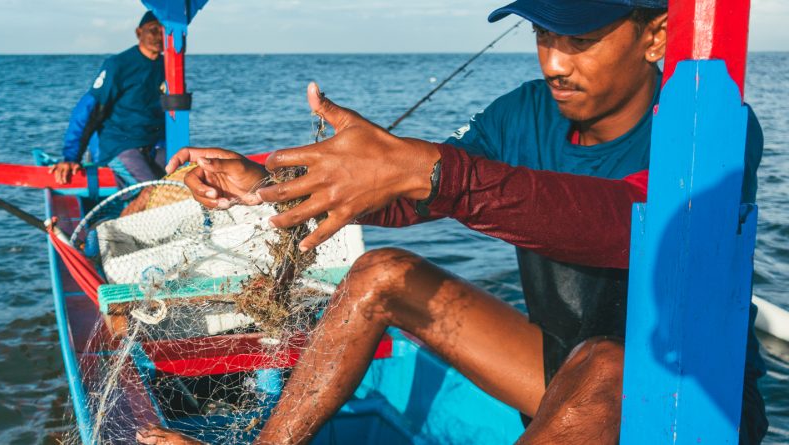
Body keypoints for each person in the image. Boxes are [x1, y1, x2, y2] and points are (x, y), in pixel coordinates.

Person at [136, 1, 768, 444]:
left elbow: (634, 223)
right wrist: (269, 183)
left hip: (692, 400)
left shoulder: (708, 131)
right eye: (543, 36)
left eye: (579, 40)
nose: (554, 63)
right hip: (557, 368)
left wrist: (442, 174)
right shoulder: (524, 112)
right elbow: (412, 198)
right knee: (381, 272)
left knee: (606, 363)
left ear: (653, 36)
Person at [49, 11, 167, 188]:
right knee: (151, 192)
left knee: (181, 185)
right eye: (153, 30)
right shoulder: (118, 65)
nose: (159, 36)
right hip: (121, 145)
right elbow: (89, 110)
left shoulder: (168, 67)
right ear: (138, 33)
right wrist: (72, 158)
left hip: (155, 145)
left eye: (165, 31)